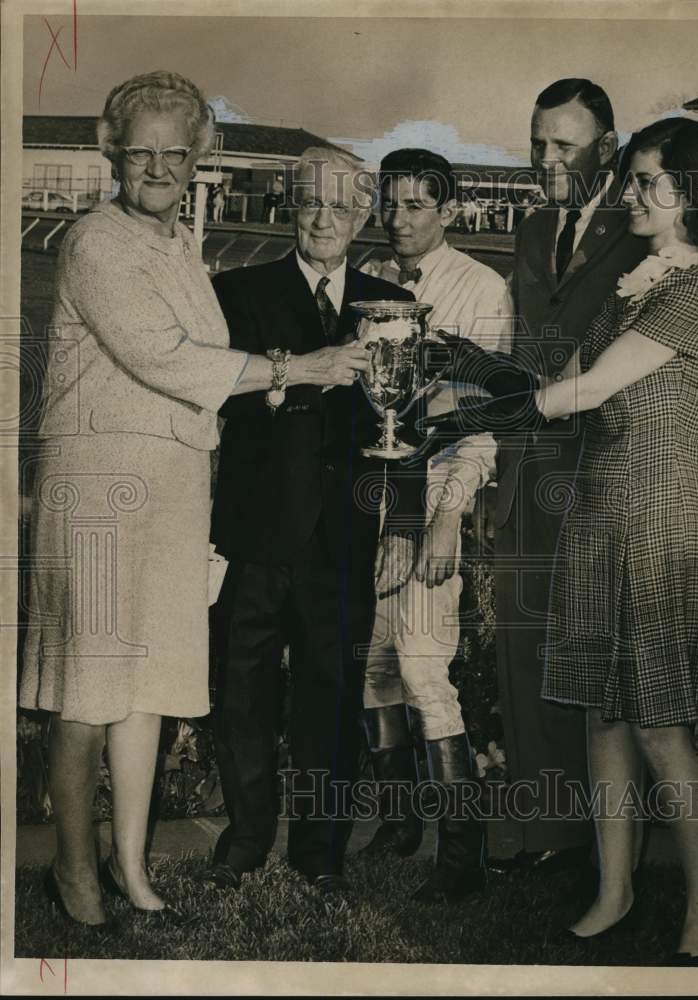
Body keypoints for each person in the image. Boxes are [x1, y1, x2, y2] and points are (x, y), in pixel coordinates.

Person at [18, 74, 370, 927]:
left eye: (176, 153)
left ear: (196, 159)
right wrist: (299, 370)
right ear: (113, 152)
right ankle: (73, 871)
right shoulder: (95, 242)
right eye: (141, 151)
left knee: (147, 690)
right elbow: (165, 357)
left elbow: (208, 369)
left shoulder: (180, 244)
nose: (159, 167)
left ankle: (133, 867)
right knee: (89, 692)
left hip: (175, 488)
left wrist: (277, 386)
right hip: (101, 487)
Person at [425, 117, 698, 965]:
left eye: (650, 183)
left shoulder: (696, 290)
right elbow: (557, 382)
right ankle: (612, 891)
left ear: (694, 196)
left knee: (658, 726)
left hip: (661, 517)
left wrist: (476, 411)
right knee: (603, 718)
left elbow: (592, 388)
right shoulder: (635, 283)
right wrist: (457, 368)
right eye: (632, 177)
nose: (631, 194)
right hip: (599, 515)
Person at [204, 147, 425, 897]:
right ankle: (245, 837)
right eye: (310, 203)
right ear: (287, 207)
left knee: (331, 696)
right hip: (255, 528)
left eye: (341, 206)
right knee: (241, 690)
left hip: (345, 533)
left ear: (363, 215)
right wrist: (296, 378)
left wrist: (402, 525)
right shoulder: (235, 290)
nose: (324, 219)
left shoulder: (387, 302)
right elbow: (217, 393)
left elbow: (410, 419)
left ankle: (320, 850)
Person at [486, 79, 647, 879]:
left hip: (600, 459)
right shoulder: (530, 226)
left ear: (606, 148)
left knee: (596, 647)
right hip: (528, 461)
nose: (546, 160)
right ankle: (545, 826)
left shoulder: (643, 229)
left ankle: (610, 836)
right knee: (525, 639)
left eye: (565, 146)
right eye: (537, 142)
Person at [359, 148, 511, 902]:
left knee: (423, 669)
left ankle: (463, 849)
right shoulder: (370, 284)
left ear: (448, 211)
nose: (398, 219)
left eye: (416, 205)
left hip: (433, 501)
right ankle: (397, 819)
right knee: (372, 668)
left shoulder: (480, 287)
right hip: (366, 501)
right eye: (389, 204)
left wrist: (449, 515)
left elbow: (486, 418)